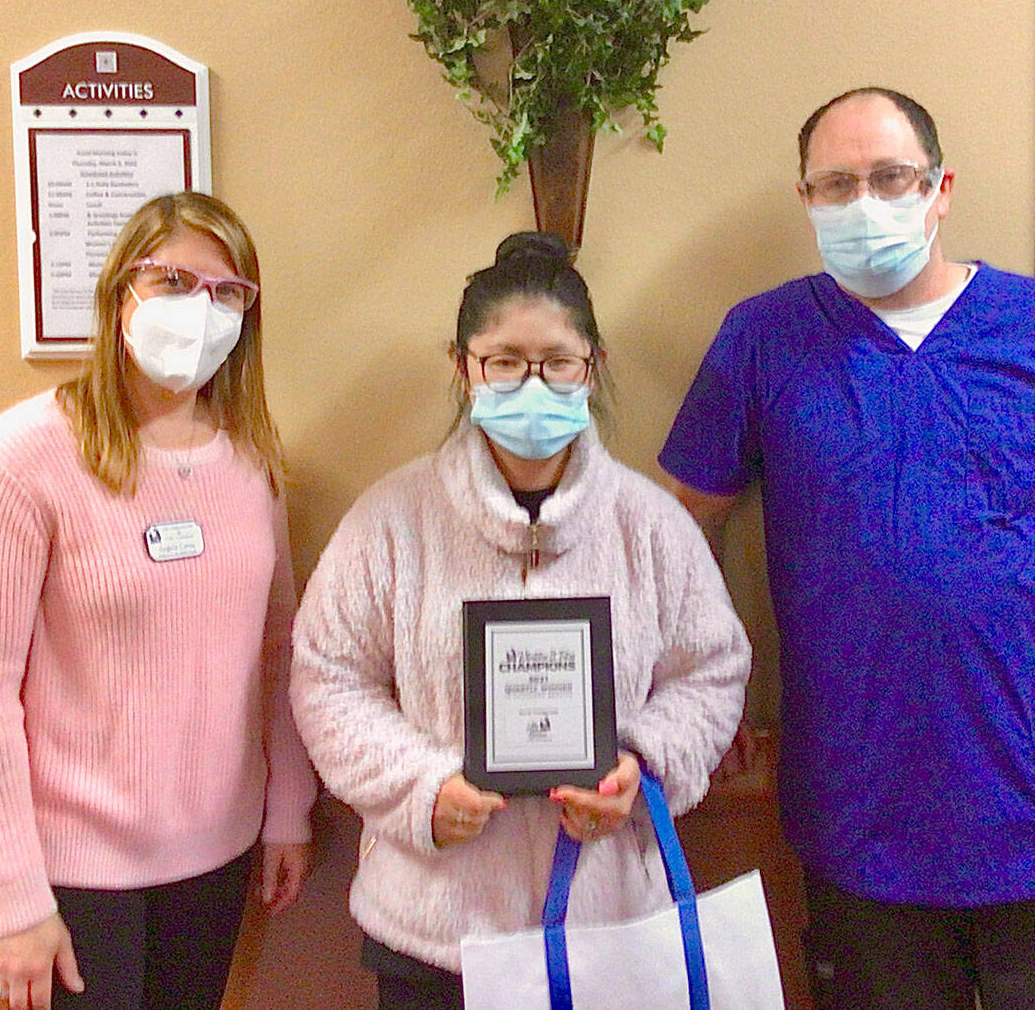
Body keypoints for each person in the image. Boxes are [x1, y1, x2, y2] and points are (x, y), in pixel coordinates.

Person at [659, 88, 1035, 1010]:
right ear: (807, 201)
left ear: (941, 189)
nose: (865, 202)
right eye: (837, 183)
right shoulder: (764, 340)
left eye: (890, 178)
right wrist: (707, 685)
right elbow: (681, 516)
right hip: (863, 799)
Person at [290, 232, 751, 1010]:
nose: (530, 382)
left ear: (592, 366)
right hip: (433, 934)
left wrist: (641, 766)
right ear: (462, 367)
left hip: (608, 927)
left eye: (556, 362)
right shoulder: (392, 521)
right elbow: (327, 677)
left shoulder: (648, 524)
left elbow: (711, 671)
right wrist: (422, 789)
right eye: (503, 361)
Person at [0, 192, 317, 1010]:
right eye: (174, 280)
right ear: (122, 294)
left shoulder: (252, 460)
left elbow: (280, 650)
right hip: (71, 877)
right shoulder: (23, 457)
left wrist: (288, 809)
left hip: (215, 859)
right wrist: (13, 895)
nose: (200, 309)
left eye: (227, 294)